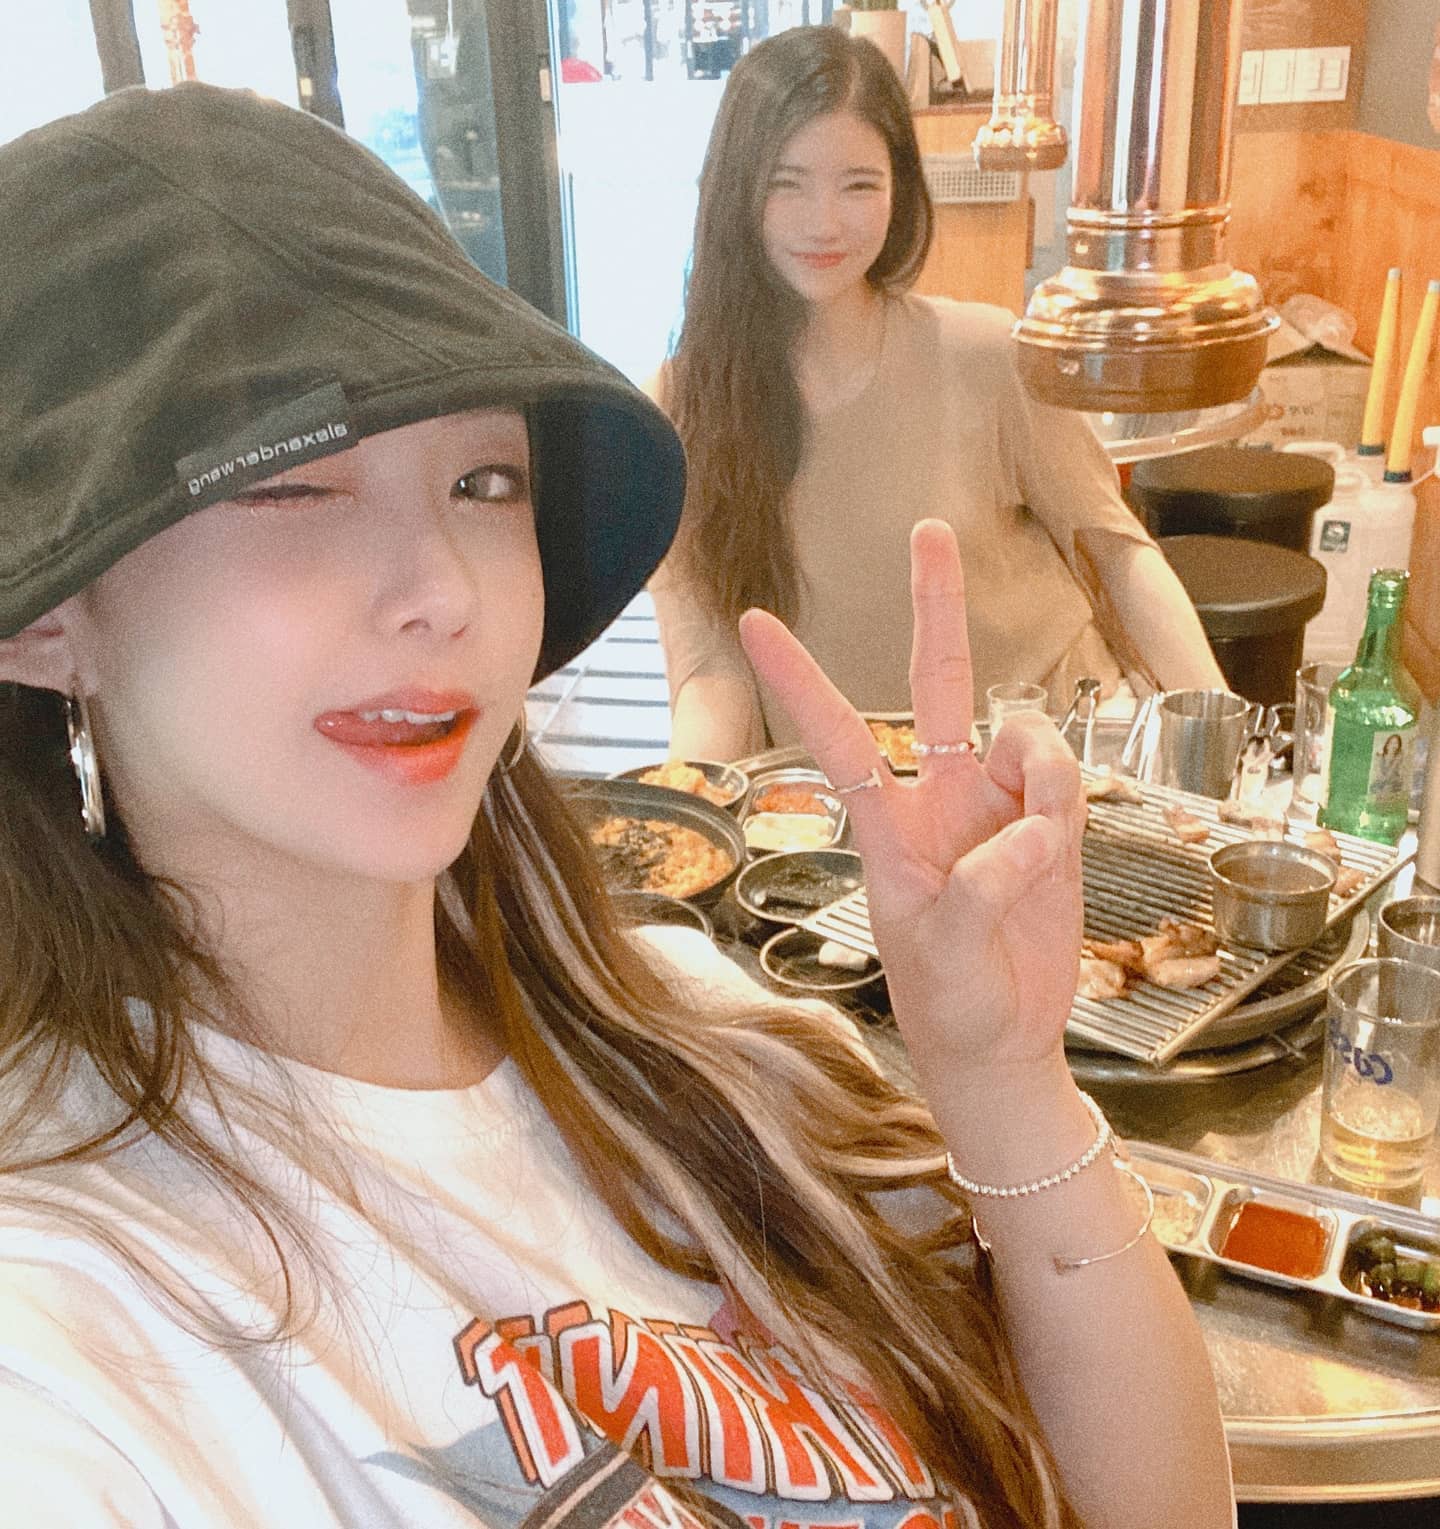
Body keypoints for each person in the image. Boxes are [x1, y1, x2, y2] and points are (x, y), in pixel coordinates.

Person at [0, 85, 1233, 1529]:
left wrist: (1005, 1086)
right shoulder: (79, 1313)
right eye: (294, 486)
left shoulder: (700, 1032)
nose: (445, 591)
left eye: (482, 480)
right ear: (48, 616)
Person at [649, 26, 1226, 761]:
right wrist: (684, 803)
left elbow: (1119, 555)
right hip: (848, 793)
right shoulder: (685, 407)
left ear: (900, 188)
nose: (824, 221)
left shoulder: (990, 353)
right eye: (785, 183)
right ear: (734, 191)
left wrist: (1219, 738)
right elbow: (712, 673)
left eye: (860, 184)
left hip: (1053, 753)